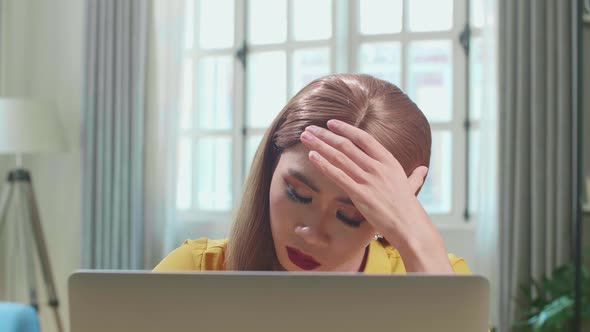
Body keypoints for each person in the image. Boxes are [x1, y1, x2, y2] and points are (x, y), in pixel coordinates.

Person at [154, 73, 469, 274]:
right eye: (297, 194)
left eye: (349, 215)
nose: (312, 233)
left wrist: (420, 244)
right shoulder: (195, 272)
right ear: (270, 170)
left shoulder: (437, 275)